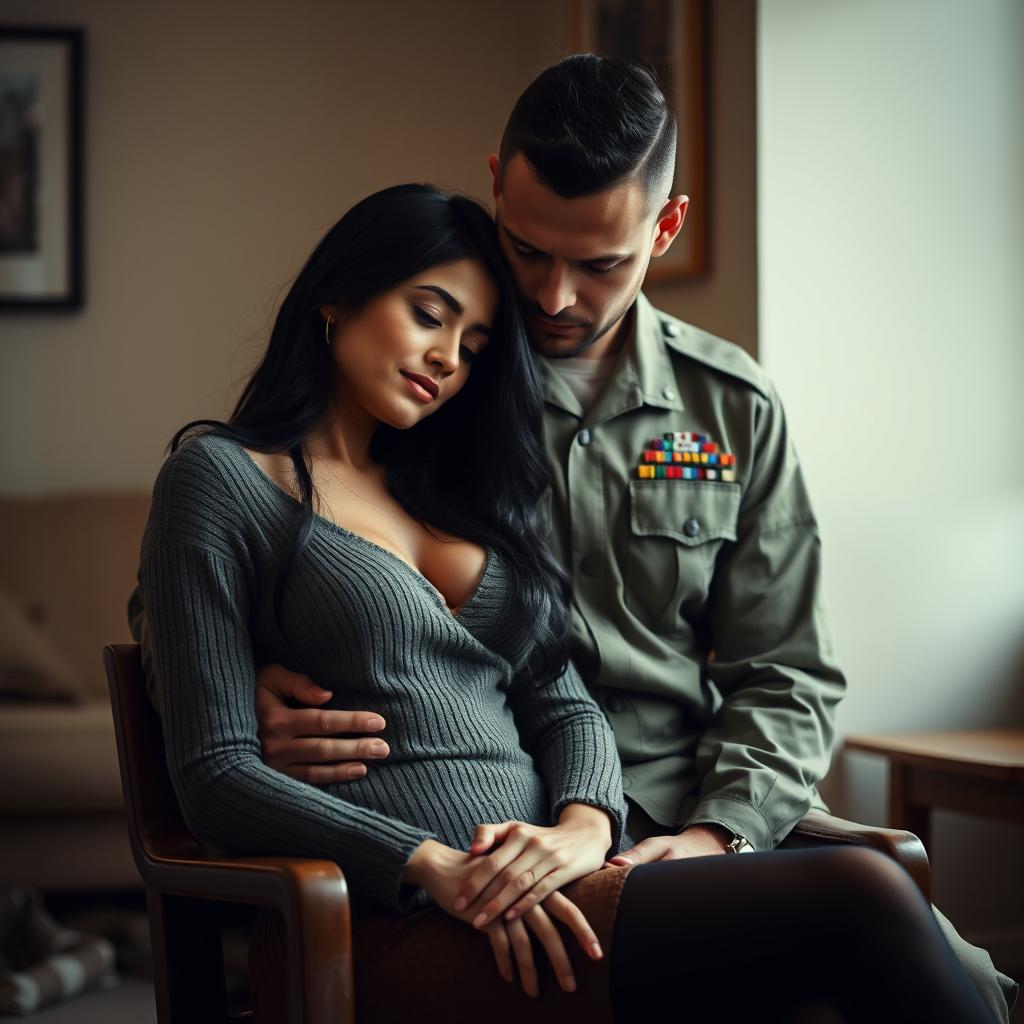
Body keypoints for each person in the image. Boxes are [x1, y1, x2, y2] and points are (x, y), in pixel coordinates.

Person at [223, 56, 1018, 1021]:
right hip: (493, 804)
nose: (554, 298)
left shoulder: (731, 406)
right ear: (496, 187)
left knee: (968, 981)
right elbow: (248, 525)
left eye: (600, 264)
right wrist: (253, 673)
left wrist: (721, 835)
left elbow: (790, 673)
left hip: (688, 801)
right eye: (526, 250)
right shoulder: (432, 379)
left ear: (665, 226)